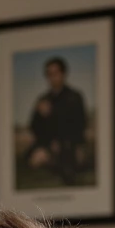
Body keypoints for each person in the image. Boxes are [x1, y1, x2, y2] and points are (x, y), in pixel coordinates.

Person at [26, 57, 88, 185]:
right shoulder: (43, 99)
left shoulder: (74, 97)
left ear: (63, 73)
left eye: (55, 73)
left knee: (71, 156)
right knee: (35, 159)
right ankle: (57, 166)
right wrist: (41, 115)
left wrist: (52, 115)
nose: (52, 77)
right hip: (48, 145)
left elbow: (79, 124)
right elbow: (34, 127)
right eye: (49, 74)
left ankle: (65, 168)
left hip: (70, 144)